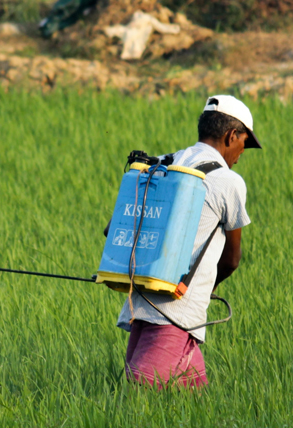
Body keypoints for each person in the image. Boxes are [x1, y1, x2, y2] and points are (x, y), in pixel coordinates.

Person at [107, 95, 261, 389]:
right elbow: (231, 260)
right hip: (176, 312)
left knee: (188, 404)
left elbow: (114, 229)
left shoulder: (162, 163)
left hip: (141, 301)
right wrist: (209, 287)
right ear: (232, 135)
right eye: (244, 143)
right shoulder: (228, 181)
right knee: (143, 391)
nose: (241, 154)